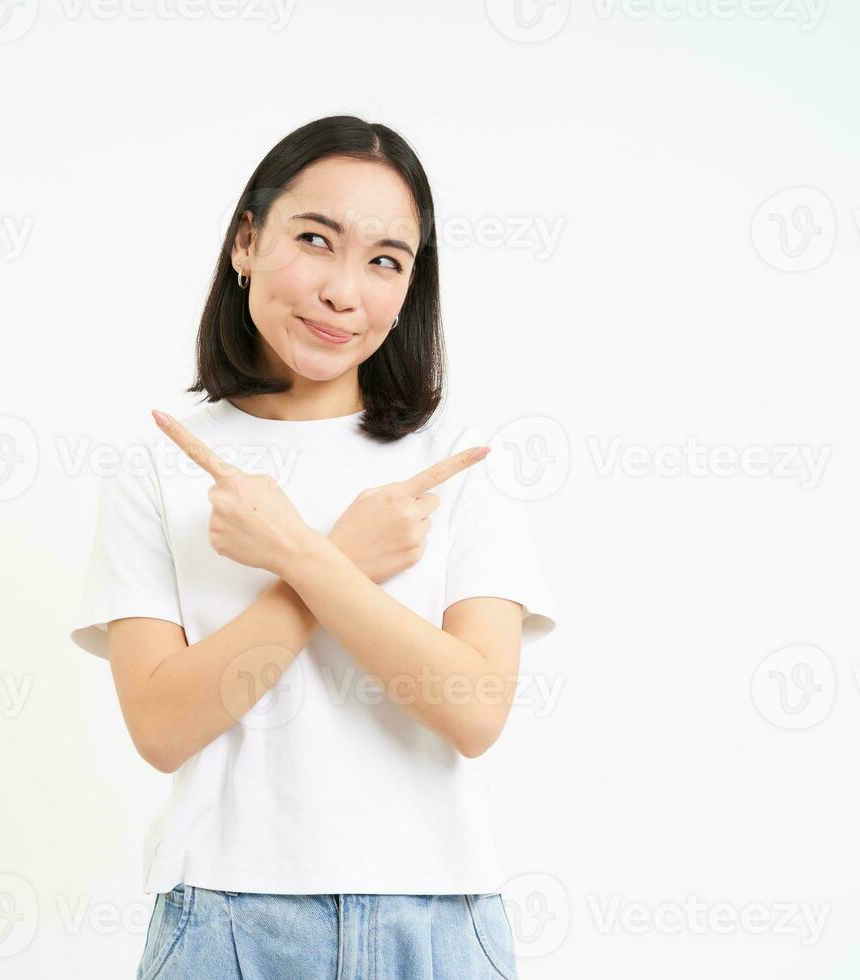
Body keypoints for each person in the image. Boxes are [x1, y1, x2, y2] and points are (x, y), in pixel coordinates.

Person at [70, 114, 557, 980]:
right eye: (314, 240)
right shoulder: (160, 465)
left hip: (435, 919)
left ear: (411, 287)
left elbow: (474, 710)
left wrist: (301, 552)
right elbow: (161, 725)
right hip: (221, 918)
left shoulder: (457, 463)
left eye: (384, 261)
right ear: (246, 242)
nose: (343, 291)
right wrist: (331, 560)